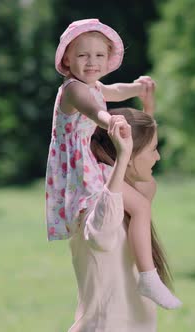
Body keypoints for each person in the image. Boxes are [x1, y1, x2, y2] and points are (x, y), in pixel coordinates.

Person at [45, 18, 181, 309]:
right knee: (139, 206)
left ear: (107, 59)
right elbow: (94, 110)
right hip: (82, 170)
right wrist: (110, 120)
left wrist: (137, 88)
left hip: (94, 164)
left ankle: (143, 271)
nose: (91, 62)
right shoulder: (73, 90)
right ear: (67, 58)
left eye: (98, 56)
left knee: (143, 195)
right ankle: (148, 276)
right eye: (83, 55)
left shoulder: (93, 85)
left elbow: (114, 92)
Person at [69, 107, 177, 331]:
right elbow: (100, 233)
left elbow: (147, 186)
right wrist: (123, 156)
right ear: (127, 155)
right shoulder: (95, 203)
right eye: (153, 149)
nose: (157, 157)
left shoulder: (133, 201)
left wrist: (147, 109)